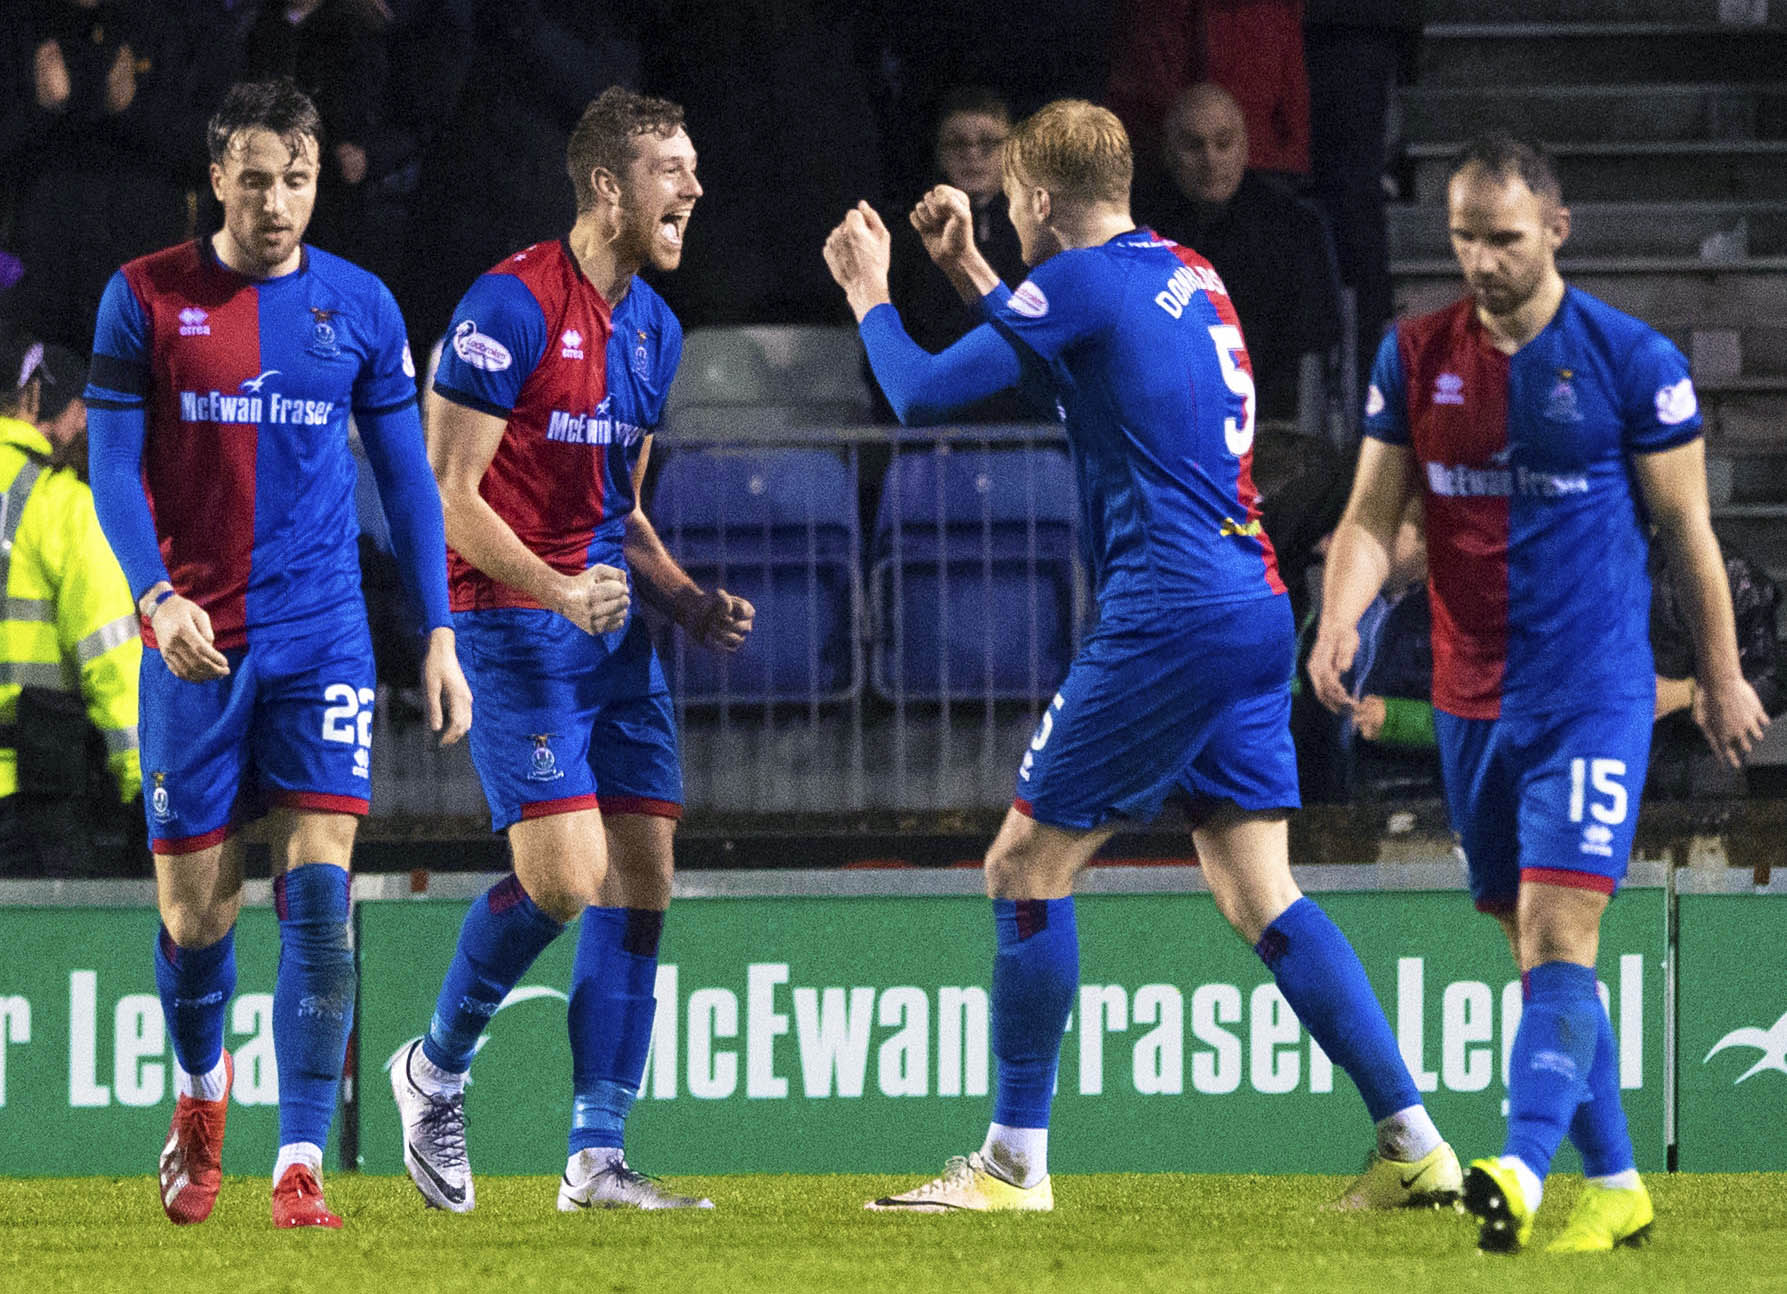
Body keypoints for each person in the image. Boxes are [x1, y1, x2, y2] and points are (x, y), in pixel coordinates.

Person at [823, 98, 1457, 1213]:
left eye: (1006, 206)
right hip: (1249, 603)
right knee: (1262, 890)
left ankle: (1012, 1162)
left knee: (1022, 869)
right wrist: (970, 269)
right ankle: (1412, 1143)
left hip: (1165, 611)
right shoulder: (1182, 270)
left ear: (1033, 198)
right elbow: (1073, 369)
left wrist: (870, 291)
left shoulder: (1080, 281)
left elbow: (918, 391)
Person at [1309, 134, 1770, 1254]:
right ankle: (1613, 1183)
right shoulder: (1411, 355)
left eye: (1502, 238)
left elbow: (1688, 538)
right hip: (1470, 703)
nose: (1479, 259)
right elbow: (1374, 519)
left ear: (1555, 231)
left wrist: (1716, 676)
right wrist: (1339, 611)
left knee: (1560, 937)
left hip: (1589, 697)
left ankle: (1514, 1166)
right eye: (1462, 236)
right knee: (1530, 949)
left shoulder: (1629, 360)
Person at [84, 78, 469, 1230]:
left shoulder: (360, 306)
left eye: (295, 178)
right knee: (198, 915)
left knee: (316, 893)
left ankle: (297, 1159)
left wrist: (439, 630)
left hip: (322, 639)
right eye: (254, 178)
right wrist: (154, 599)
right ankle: (201, 1103)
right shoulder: (144, 299)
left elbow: (407, 480)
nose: (277, 201)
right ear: (217, 178)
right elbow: (110, 470)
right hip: (195, 642)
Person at [389, 86, 752, 1215]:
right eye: (671, 170)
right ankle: (432, 1067)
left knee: (642, 879)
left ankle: (595, 1156)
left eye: (693, 167)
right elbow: (447, 496)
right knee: (564, 879)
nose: (693, 186)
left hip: (608, 628)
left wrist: (684, 600)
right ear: (607, 186)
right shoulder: (508, 306)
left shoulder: (656, 328)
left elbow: (617, 503)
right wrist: (554, 588)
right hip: (509, 619)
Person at [0, 329, 141, 875]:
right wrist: (148, 788)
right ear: (34, 399)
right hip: (30, 804)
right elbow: (113, 660)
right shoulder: (62, 509)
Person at [1140, 82, 1341, 425]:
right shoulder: (1138, 227)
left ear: (1245, 147)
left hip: (1267, 421)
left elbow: (1312, 342)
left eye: (1223, 143)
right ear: (1169, 153)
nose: (1210, 160)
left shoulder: (1292, 226)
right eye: (1193, 146)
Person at [885, 87, 1030, 424]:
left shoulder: (1040, 231)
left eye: (988, 143)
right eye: (958, 143)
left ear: (1011, 151)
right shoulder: (909, 239)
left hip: (1024, 428)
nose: (973, 155)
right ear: (939, 153)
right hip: (935, 429)